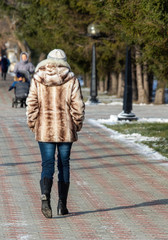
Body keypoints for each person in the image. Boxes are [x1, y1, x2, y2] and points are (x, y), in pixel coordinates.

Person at [26, 49, 85, 218]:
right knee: (64, 164)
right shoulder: (71, 79)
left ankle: (45, 197)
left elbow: (31, 103)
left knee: (47, 164)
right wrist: (77, 124)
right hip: (65, 129)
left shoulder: (38, 78)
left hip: (44, 128)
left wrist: (33, 123)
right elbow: (78, 105)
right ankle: (62, 205)